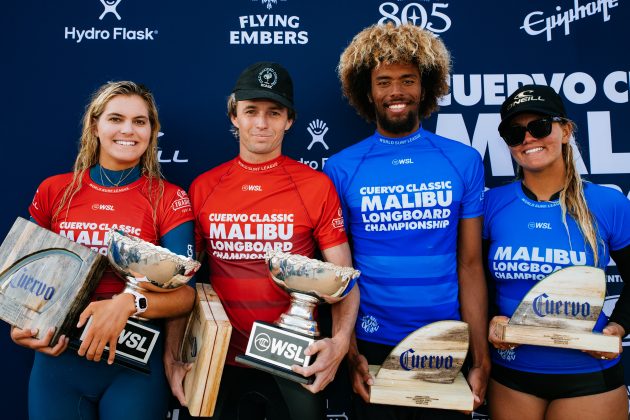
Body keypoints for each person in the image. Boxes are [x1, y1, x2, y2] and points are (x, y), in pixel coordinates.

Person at [168, 61, 359, 420]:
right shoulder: (204, 187)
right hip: (220, 359)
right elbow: (184, 281)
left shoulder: (315, 186)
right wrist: (174, 355)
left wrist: (340, 342)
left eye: (274, 113)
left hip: (294, 359)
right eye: (251, 111)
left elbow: (344, 277)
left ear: (289, 120)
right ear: (234, 115)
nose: (261, 123)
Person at [324, 23, 490, 419]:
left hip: (446, 342)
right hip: (372, 342)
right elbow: (338, 273)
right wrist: (349, 351)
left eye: (407, 80)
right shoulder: (342, 167)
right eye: (384, 81)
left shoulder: (462, 160)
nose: (396, 91)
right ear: (368, 92)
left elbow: (469, 264)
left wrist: (481, 358)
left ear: (425, 87)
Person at [10, 81, 196, 420]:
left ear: (152, 131)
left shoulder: (169, 198)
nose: (128, 130)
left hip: (133, 366)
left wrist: (128, 303)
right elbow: (26, 279)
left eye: (140, 121)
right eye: (116, 119)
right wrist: (20, 323)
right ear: (95, 126)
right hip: (58, 363)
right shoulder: (55, 191)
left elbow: (185, 296)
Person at [484, 84, 630, 420]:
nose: (528, 139)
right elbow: (474, 276)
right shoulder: (492, 204)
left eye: (539, 127)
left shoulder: (608, 203)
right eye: (515, 132)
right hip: (512, 375)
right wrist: (491, 318)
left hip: (588, 374)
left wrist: (619, 328)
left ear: (564, 130)